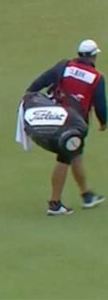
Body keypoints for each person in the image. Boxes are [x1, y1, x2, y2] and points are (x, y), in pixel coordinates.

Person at [26, 39, 108, 215]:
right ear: (93, 56)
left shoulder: (64, 66)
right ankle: (54, 204)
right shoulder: (97, 78)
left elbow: (39, 82)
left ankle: (86, 195)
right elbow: (101, 105)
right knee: (64, 158)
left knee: (75, 154)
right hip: (73, 125)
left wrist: (29, 96)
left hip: (56, 117)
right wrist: (104, 123)